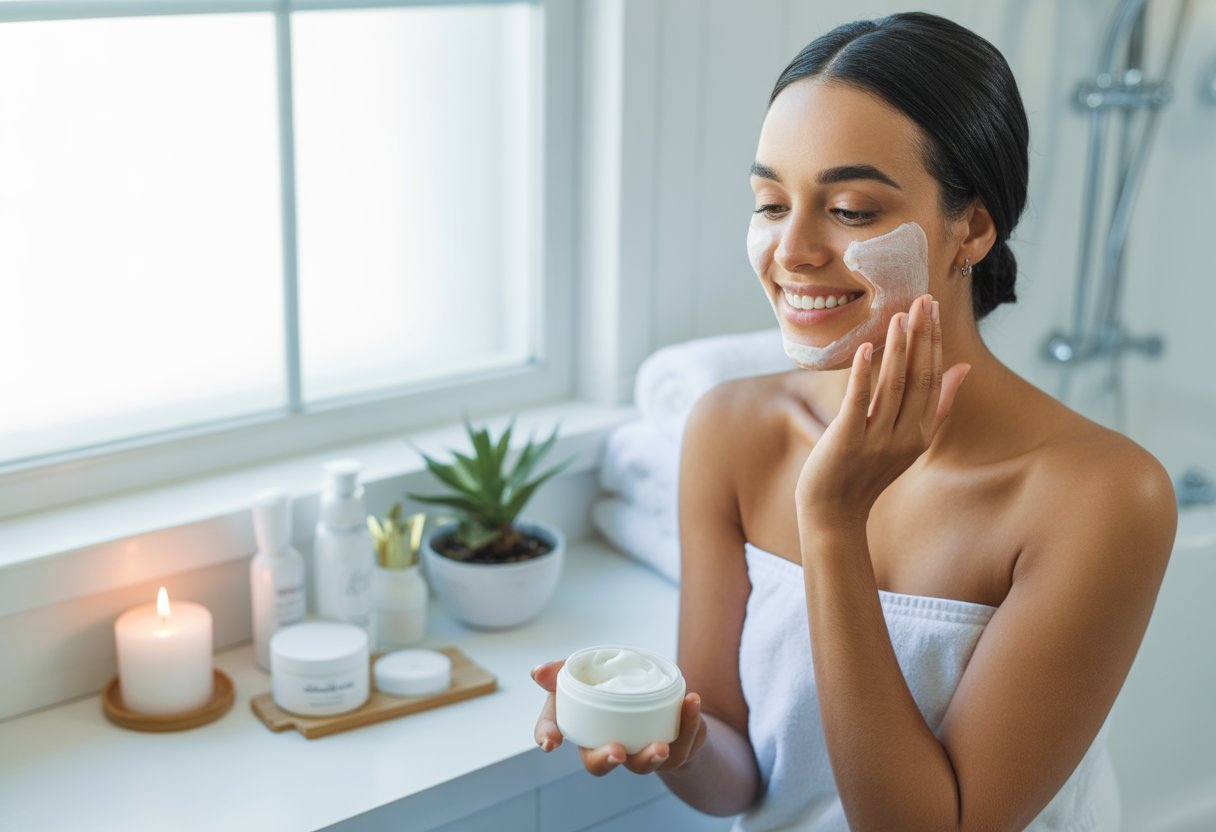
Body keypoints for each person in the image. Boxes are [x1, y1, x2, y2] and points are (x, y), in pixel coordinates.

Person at [532, 11, 1176, 831]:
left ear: (972, 227)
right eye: (770, 202)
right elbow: (743, 780)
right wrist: (672, 736)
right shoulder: (732, 430)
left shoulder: (1102, 496)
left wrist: (834, 521)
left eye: (851, 209)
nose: (791, 248)